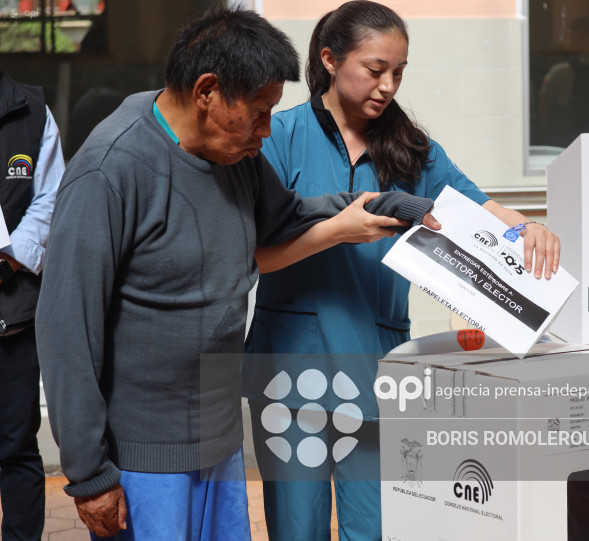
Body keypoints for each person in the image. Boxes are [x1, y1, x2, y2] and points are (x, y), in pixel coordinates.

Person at [35, 7, 435, 541]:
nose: (267, 130)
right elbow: (66, 328)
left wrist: (392, 204)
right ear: (206, 92)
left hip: (220, 443)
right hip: (144, 457)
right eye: (259, 111)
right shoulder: (112, 170)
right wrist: (87, 475)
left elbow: (290, 215)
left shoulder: (237, 158)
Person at [243, 2, 561, 540]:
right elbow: (256, 255)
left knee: (376, 528)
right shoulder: (278, 137)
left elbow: (476, 209)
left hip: (375, 367)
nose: (388, 85)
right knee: (298, 531)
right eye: (374, 69)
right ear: (329, 59)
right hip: (292, 371)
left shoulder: (412, 150)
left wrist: (529, 226)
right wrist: (339, 230)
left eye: (398, 72)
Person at [0, 70, 64, 541]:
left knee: (17, 447)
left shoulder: (31, 111)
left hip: (12, 313)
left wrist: (8, 259)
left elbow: (49, 198)